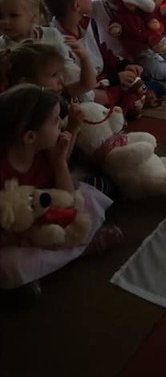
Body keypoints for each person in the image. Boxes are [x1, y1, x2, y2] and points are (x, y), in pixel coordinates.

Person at [0, 84, 119, 292]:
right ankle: (78, 249)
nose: (61, 126)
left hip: (50, 219)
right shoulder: (3, 168)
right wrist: (24, 235)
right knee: (9, 264)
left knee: (89, 197)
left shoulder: (45, 152)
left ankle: (46, 265)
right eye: (55, 122)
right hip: (15, 236)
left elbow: (68, 198)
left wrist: (60, 162)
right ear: (30, 137)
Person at [0, 0, 96, 97]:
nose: (4, 21)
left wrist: (84, 58)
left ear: (34, 16)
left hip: (63, 91)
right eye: (0, 16)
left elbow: (67, 67)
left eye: (13, 15)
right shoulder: (2, 46)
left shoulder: (51, 35)